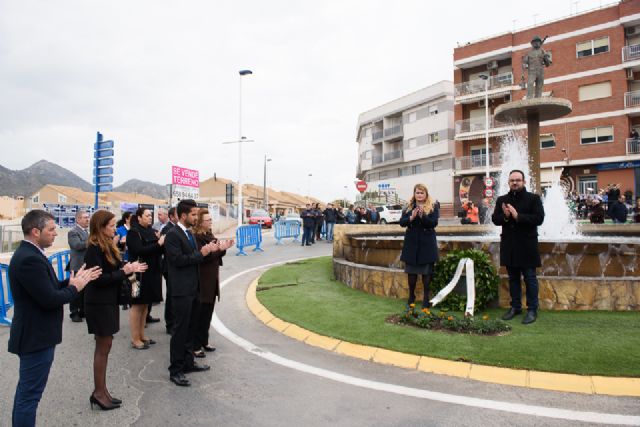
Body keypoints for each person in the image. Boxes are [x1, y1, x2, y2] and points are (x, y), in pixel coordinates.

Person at [8, 210, 101, 425]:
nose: (55, 233)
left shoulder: (32, 254)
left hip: (36, 336)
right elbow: (49, 299)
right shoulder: (29, 259)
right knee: (29, 397)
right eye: (50, 230)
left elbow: (46, 288)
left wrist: (69, 282)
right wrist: (75, 288)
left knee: (27, 394)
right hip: (35, 337)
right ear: (35, 231)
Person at [84, 210, 147, 411]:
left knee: (106, 345)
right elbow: (98, 279)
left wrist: (129, 266)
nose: (115, 228)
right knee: (102, 347)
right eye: (111, 225)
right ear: (101, 227)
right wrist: (124, 272)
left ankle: (103, 391)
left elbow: (115, 267)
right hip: (99, 303)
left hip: (108, 302)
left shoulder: (107, 245)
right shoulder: (94, 248)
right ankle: (98, 393)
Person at [165, 199, 219, 387]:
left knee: (190, 328)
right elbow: (178, 260)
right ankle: (176, 370)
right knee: (180, 331)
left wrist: (208, 252)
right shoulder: (173, 235)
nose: (196, 218)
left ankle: (188, 362)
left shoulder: (188, 233)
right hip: (181, 291)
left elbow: (195, 259)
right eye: (193, 214)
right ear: (183, 215)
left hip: (194, 288)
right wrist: (201, 254)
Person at [492, 170, 545, 325]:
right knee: (513, 278)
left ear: (524, 182)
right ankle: (515, 307)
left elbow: (539, 219)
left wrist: (518, 216)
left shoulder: (533, 199)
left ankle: (532, 309)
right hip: (510, 245)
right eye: (512, 180)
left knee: (530, 278)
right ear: (508, 182)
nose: (515, 183)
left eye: (518, 180)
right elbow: (495, 219)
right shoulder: (502, 200)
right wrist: (506, 216)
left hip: (527, 245)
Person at [192, 209, 233, 357]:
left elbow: (216, 254)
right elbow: (203, 258)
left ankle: (204, 340)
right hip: (202, 279)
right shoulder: (196, 238)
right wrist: (218, 250)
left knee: (208, 312)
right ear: (200, 222)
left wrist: (223, 249)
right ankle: (195, 345)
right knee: (200, 314)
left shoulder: (209, 235)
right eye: (208, 220)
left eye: (210, 219)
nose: (211, 222)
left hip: (211, 278)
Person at [126, 207, 165, 349]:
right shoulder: (133, 232)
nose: (150, 218)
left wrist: (160, 242)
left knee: (145, 305)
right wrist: (158, 243)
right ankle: (135, 338)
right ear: (139, 217)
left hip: (151, 273)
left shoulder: (151, 231)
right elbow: (139, 251)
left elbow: (158, 250)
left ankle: (142, 335)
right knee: (137, 305)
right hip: (137, 275)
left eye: (150, 215)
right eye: (147, 215)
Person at [399, 184, 439, 309]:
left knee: (426, 274)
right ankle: (411, 296)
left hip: (427, 244)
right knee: (411, 273)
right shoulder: (408, 206)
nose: (419, 195)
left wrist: (423, 216)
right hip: (411, 243)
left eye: (422, 193)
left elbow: (433, 223)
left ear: (426, 194)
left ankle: (426, 298)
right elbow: (402, 222)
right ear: (414, 194)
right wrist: (411, 218)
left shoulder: (433, 206)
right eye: (417, 192)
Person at [68, 210, 90, 322]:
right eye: (85, 217)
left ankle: (83, 310)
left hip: (86, 265)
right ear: (78, 219)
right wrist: (92, 241)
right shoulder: (73, 232)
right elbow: (77, 245)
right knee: (76, 290)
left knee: (84, 290)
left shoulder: (87, 232)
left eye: (88, 217)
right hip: (77, 265)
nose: (87, 219)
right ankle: (74, 312)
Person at [161, 207, 178, 334]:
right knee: (171, 296)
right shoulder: (167, 229)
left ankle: (175, 322)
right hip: (169, 267)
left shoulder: (176, 228)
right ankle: (170, 324)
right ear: (172, 217)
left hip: (175, 268)